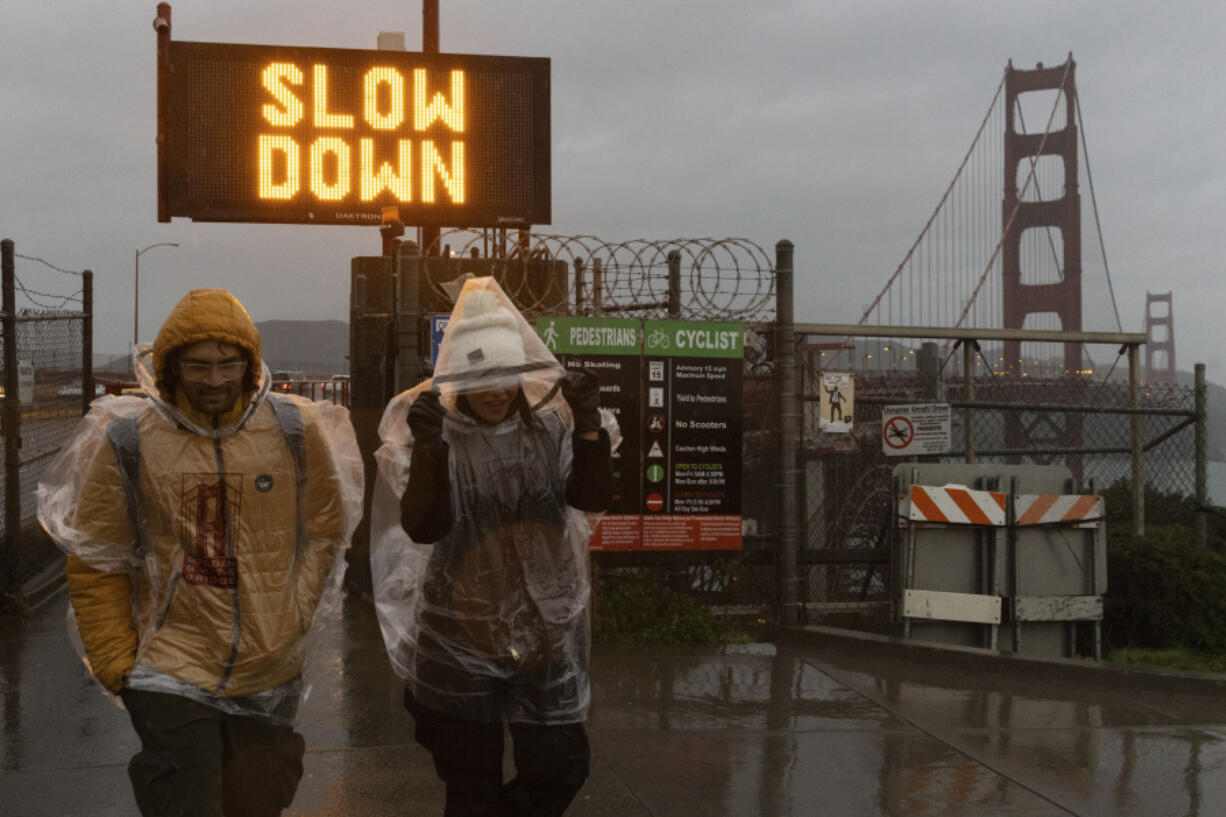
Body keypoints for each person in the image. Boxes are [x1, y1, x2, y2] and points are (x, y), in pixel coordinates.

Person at [38, 288, 363, 817]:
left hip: (269, 667)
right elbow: (98, 559)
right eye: (197, 366)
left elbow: (325, 531)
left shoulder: (292, 430)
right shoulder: (130, 440)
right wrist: (118, 665)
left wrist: (295, 612)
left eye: (227, 364)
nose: (214, 380)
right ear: (170, 367)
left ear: (249, 363)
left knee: (257, 802)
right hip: (172, 669)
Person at [370, 276, 617, 817]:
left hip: (546, 628)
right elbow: (425, 527)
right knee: (469, 783)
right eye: (480, 375)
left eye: (506, 374)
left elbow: (591, 497)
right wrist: (431, 449)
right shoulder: (438, 434)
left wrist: (589, 428)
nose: (495, 389)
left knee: (561, 769)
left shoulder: (553, 430)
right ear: (458, 376)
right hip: (460, 627)